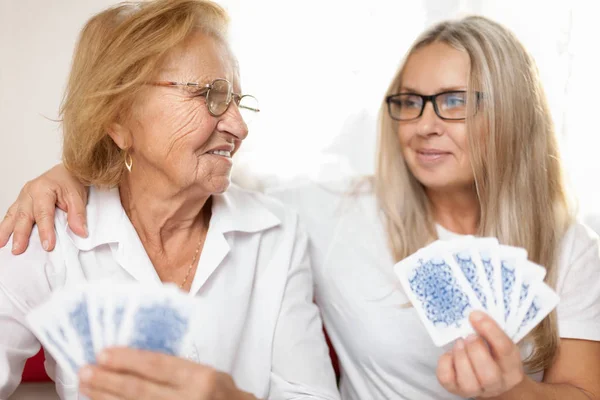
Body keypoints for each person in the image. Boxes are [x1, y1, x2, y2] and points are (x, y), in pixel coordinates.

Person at [3, 14, 600, 400]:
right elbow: (190, 168)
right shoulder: (332, 212)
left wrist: (513, 389)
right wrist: (74, 170)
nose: (422, 125)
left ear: (514, 111)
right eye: (409, 102)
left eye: (451, 101)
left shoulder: (573, 248)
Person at [0, 1, 341, 399]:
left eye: (236, 99)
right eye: (210, 95)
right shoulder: (48, 231)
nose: (239, 126)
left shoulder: (276, 233)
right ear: (117, 117)